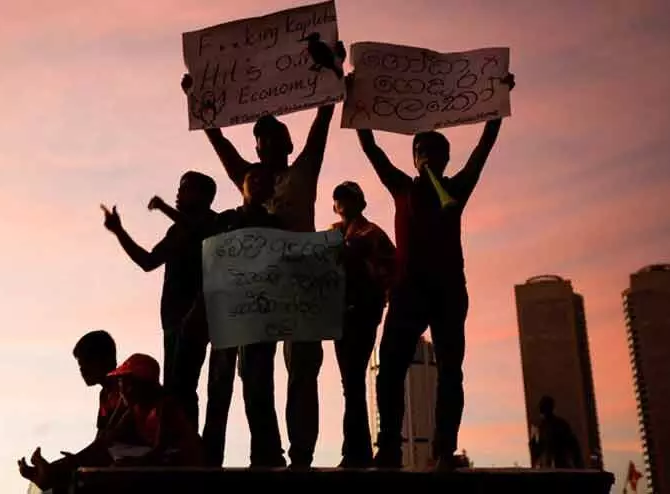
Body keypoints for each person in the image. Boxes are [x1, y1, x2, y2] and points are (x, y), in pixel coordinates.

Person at [355, 73, 515, 470]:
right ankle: (389, 446)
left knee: (450, 370)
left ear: (444, 158)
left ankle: (444, 450)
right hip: (408, 290)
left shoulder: (457, 188)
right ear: (414, 158)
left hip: (447, 291)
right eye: (420, 149)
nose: (425, 155)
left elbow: (484, 148)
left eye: (433, 150)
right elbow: (371, 148)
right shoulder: (401, 187)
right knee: (389, 367)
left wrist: (498, 104)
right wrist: (355, 98)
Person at [181, 68, 340, 467]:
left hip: (301, 284)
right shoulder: (248, 181)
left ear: (287, 142)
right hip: (259, 292)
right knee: (255, 373)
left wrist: (332, 74)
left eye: (274, 136)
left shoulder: (303, 171)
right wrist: (198, 102)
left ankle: (300, 454)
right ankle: (267, 454)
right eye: (260, 138)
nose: (267, 142)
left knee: (302, 369)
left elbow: (322, 121)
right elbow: (219, 141)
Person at [101, 171, 217, 431]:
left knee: (184, 387)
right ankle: (176, 447)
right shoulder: (176, 230)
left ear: (204, 196)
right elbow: (148, 262)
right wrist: (119, 231)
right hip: (172, 318)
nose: (178, 193)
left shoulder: (212, 224)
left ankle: (189, 451)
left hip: (197, 317)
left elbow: (197, 232)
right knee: (175, 389)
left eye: (185, 188)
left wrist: (163, 207)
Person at [199, 163, 287, 468]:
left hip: (259, 314)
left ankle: (267, 455)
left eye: (265, 180)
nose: (258, 184)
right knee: (219, 387)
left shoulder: (276, 226)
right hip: (228, 312)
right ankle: (211, 457)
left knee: (259, 386)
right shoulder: (226, 220)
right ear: (243, 185)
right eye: (253, 178)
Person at [329, 181, 396, 468]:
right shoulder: (332, 233)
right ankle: (358, 449)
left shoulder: (372, 233)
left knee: (353, 380)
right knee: (350, 383)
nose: (344, 203)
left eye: (350, 198)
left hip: (363, 314)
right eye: (340, 199)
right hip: (339, 315)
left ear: (361, 203)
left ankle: (355, 451)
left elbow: (391, 268)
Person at [17, 330, 123, 491]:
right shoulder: (105, 394)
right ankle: (46, 472)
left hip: (125, 459)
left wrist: (70, 463)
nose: (82, 370)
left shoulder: (124, 389)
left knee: (72, 472)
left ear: (104, 360)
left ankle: (49, 473)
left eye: (86, 363)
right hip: (109, 455)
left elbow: (108, 442)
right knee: (69, 472)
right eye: (80, 365)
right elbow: (99, 440)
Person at [106, 353, 204, 467]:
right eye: (121, 382)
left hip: (186, 470)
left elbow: (159, 453)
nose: (123, 390)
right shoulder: (136, 409)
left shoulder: (166, 408)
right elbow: (110, 439)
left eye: (127, 383)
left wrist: (130, 465)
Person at [529, 396, 584, 469]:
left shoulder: (559, 425)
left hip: (559, 464)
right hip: (548, 465)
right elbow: (535, 447)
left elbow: (573, 445)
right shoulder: (539, 427)